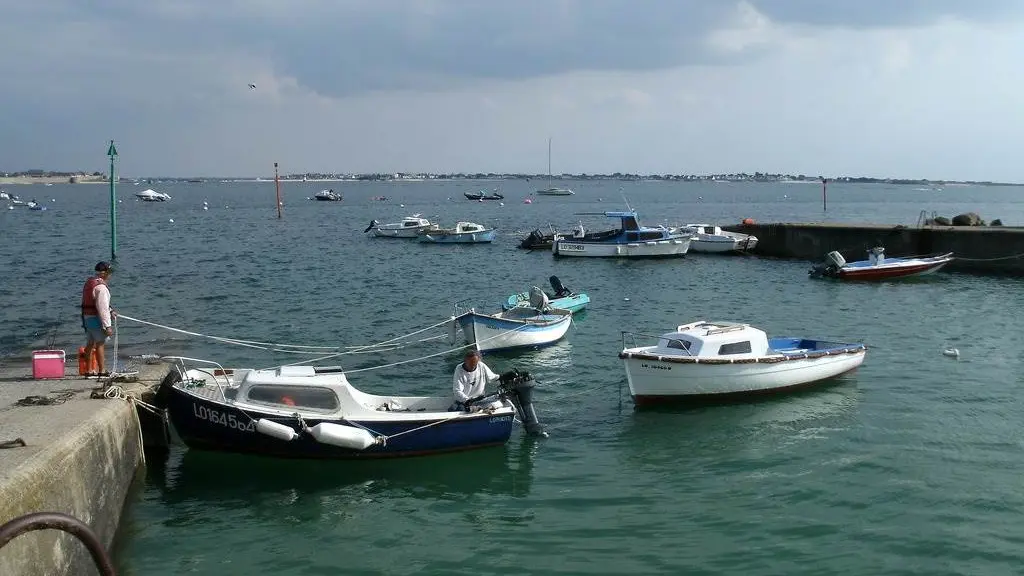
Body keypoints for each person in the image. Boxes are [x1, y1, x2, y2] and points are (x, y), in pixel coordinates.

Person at [81, 261, 115, 377]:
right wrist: (107, 326)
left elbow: (99, 304)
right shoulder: (101, 288)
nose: (111, 275)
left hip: (87, 318)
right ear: (104, 274)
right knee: (100, 343)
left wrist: (111, 310)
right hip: (96, 319)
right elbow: (102, 308)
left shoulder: (90, 283)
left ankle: (89, 371)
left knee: (90, 344)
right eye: (110, 272)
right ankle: (102, 370)